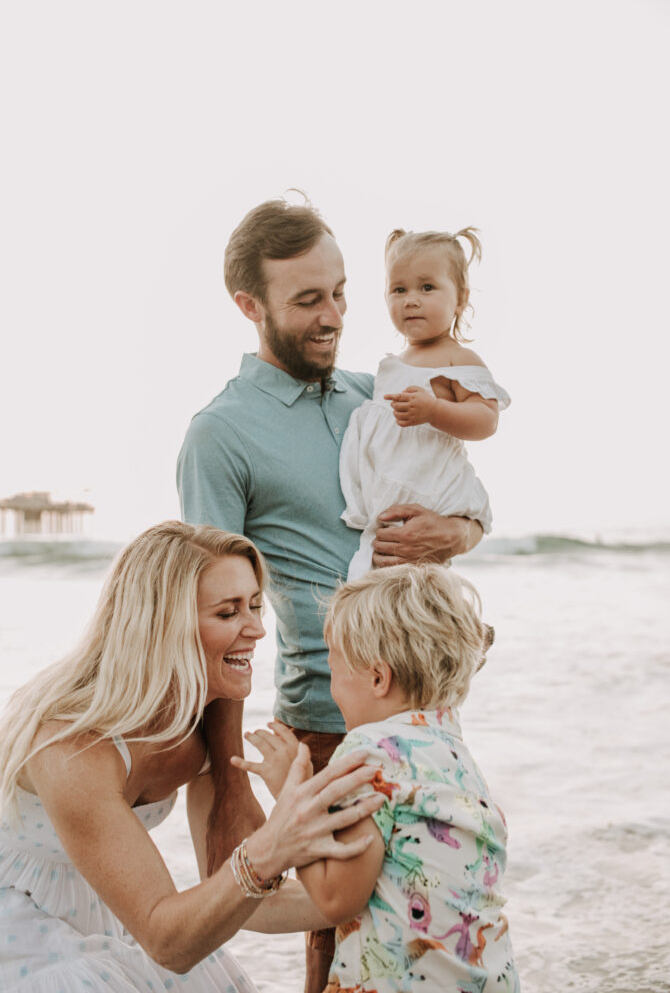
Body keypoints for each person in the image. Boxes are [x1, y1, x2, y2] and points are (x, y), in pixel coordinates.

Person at [176, 196, 484, 993]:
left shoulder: (380, 396)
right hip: (324, 721)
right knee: (338, 946)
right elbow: (209, 622)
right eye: (308, 300)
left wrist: (457, 536)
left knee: (435, 932)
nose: (335, 316)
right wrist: (229, 775)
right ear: (249, 306)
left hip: (428, 710)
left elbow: (464, 496)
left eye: (341, 292)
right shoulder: (221, 434)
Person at [0, 521, 385, 992]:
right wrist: (275, 843)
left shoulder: (201, 720)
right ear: (162, 624)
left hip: (113, 909)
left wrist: (374, 881)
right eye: (228, 613)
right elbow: (169, 942)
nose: (259, 630)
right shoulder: (72, 748)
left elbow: (244, 900)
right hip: (17, 919)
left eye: (256, 606)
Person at [234, 564, 519, 993]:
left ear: (378, 678)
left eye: (335, 672)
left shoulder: (368, 749)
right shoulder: (456, 755)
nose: (333, 691)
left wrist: (293, 792)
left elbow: (336, 897)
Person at [340, 227, 511, 580]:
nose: (410, 300)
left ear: (461, 298)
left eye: (427, 287)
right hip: (389, 494)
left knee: (421, 578)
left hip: (427, 490)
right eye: (398, 289)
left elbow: (485, 419)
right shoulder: (393, 363)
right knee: (385, 574)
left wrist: (434, 411)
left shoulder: (457, 358)